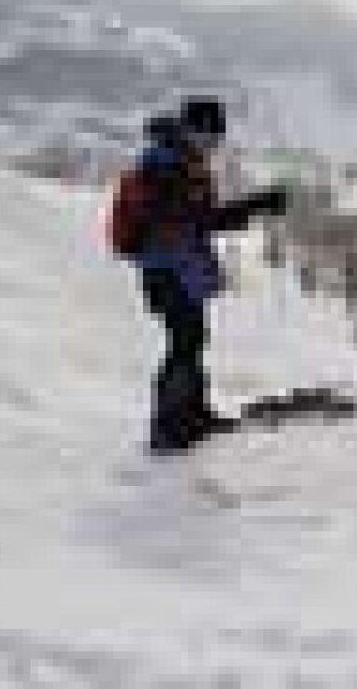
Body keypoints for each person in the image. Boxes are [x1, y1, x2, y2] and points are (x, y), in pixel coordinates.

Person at [106, 97, 289, 454]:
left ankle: (192, 416)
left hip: (180, 268)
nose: (214, 144)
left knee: (191, 339)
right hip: (166, 269)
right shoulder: (166, 167)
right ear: (193, 129)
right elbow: (195, 220)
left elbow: (202, 220)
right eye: (210, 135)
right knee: (184, 342)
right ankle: (169, 428)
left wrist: (254, 207)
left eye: (217, 136)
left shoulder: (184, 163)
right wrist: (254, 206)